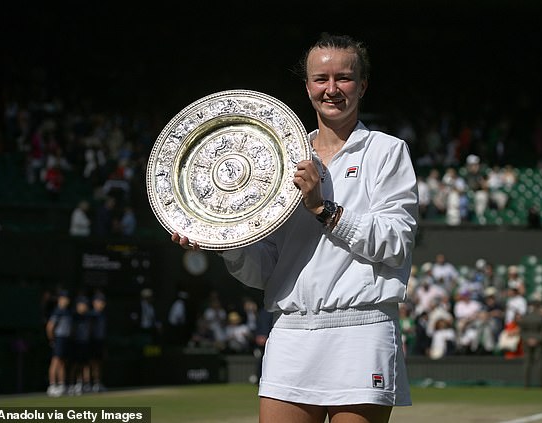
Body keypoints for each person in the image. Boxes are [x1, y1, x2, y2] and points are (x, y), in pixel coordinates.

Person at [173, 33, 418, 422]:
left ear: (363, 85)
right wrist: (221, 237)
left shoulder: (387, 152)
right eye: (321, 79)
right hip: (290, 332)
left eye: (344, 78)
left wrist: (323, 208)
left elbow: (396, 245)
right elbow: (264, 269)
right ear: (307, 87)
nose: (332, 89)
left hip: (361, 330)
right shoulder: (277, 157)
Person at [45, 290, 72, 397]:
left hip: (65, 339)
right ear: (59, 299)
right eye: (64, 298)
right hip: (59, 338)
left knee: (62, 362)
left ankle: (61, 385)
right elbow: (50, 327)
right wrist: (52, 340)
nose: (66, 300)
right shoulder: (57, 311)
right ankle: (52, 386)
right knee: (55, 361)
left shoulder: (67, 312)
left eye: (67, 298)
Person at [519, 299, 542, 387]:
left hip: (527, 342)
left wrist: (528, 339)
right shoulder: (540, 317)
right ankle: (541, 384)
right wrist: (536, 339)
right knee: (539, 362)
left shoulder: (525, 317)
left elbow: (522, 332)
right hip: (537, 342)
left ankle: (526, 384)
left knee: (527, 363)